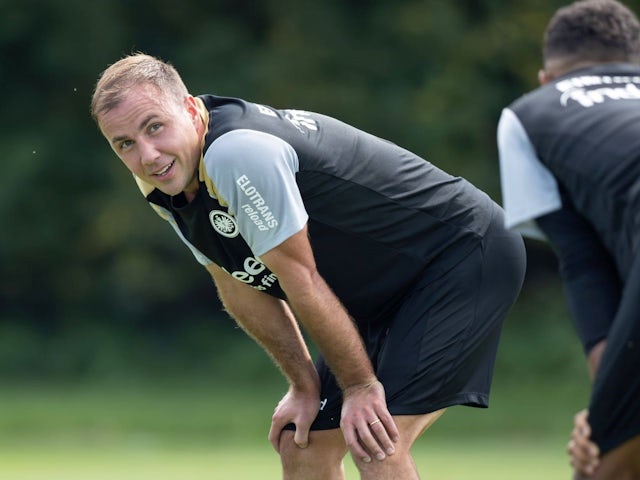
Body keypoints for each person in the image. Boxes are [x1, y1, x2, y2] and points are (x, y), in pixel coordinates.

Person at [91, 52, 525, 480]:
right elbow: (236, 282)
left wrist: (359, 387)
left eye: (155, 127)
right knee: (302, 445)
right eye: (125, 143)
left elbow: (300, 278)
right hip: (381, 293)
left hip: (461, 254)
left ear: (189, 109)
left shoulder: (236, 153)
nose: (147, 154)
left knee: (374, 441)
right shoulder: (162, 174)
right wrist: (304, 386)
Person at [497, 1, 640, 478]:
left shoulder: (528, 114)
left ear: (545, 77)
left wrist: (604, 415)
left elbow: (583, 263)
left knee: (602, 463)